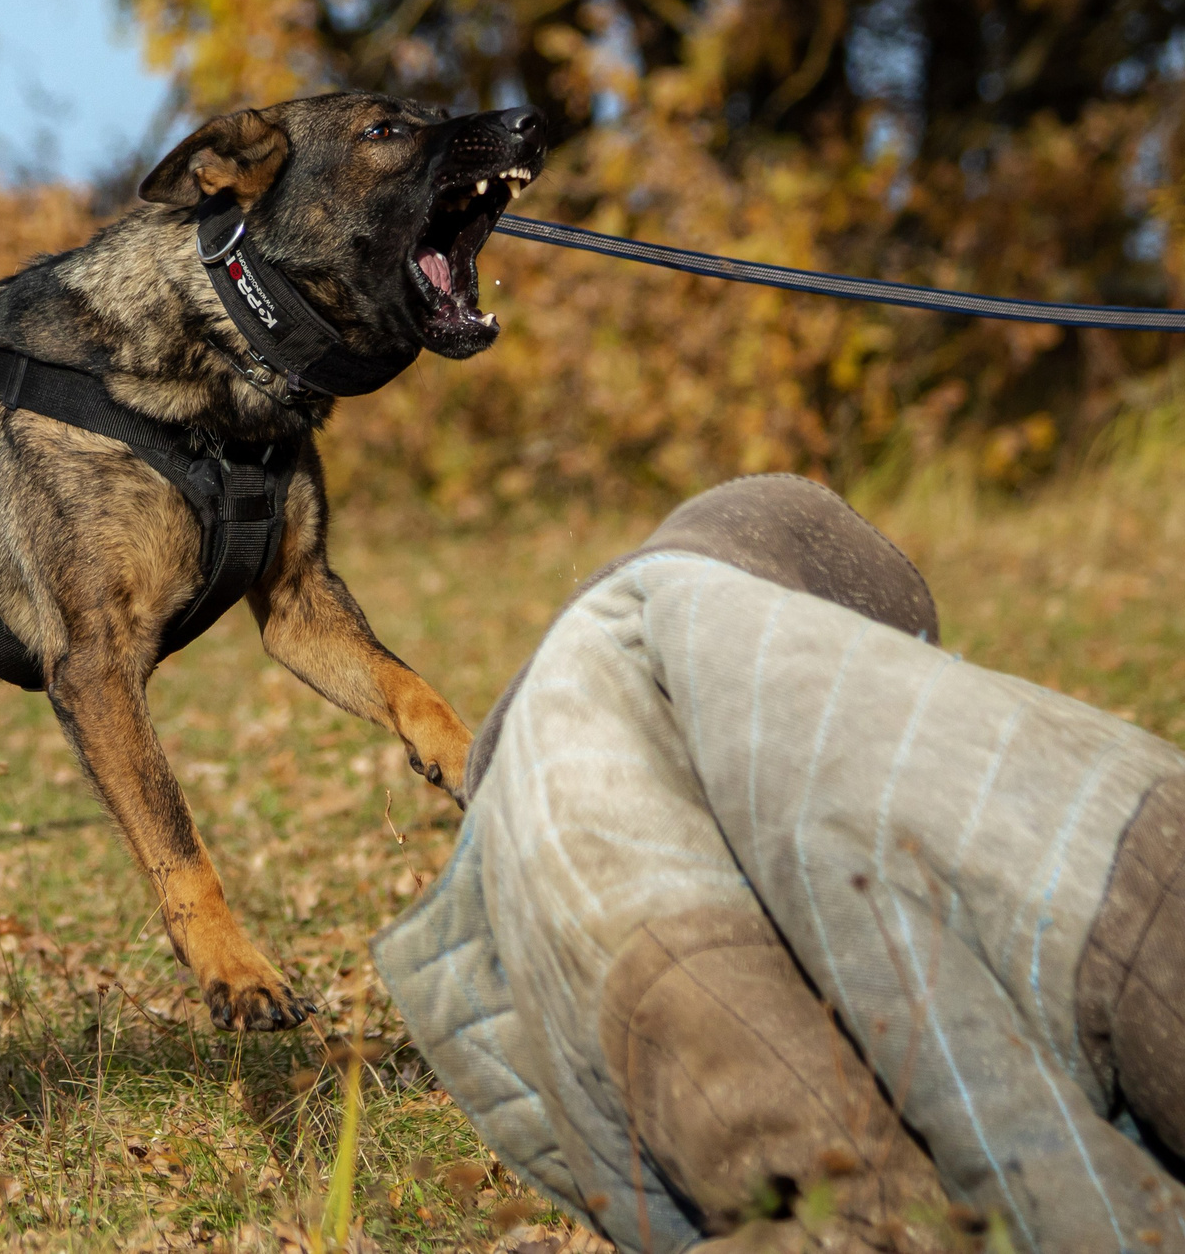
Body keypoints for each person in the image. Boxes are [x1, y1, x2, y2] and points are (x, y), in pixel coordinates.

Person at [374, 476, 1185, 1252]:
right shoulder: (712, 657)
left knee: (841, 1201)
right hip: (1118, 859)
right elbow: (1007, 1123)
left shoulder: (619, 704)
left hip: (574, 912)